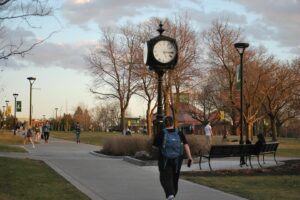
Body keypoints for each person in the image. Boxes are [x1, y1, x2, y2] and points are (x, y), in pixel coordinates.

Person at [153, 116, 193, 200]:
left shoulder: (161, 133)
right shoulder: (179, 133)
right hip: (177, 159)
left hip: (164, 160)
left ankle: (170, 194)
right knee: (175, 177)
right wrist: (190, 157)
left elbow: (155, 146)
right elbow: (186, 144)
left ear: (164, 123)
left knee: (164, 177)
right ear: (172, 123)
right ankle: (173, 193)